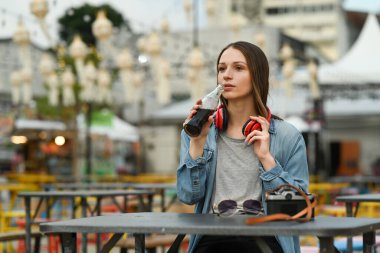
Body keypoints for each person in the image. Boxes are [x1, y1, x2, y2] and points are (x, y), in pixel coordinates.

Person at [176, 41, 309, 253]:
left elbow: (300, 208)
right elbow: (187, 196)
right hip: (212, 237)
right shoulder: (197, 132)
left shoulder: (287, 136)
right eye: (221, 69)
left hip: (266, 235)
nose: (226, 75)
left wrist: (267, 159)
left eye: (238, 68)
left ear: (257, 76)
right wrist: (197, 143)